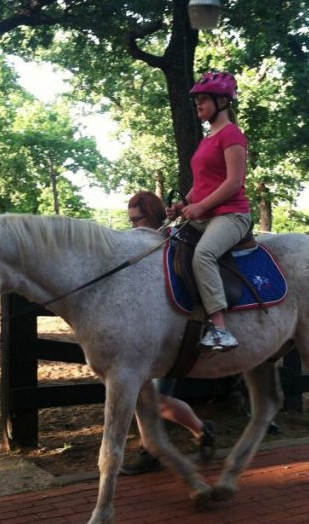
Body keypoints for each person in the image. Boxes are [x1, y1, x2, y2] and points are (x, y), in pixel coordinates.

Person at [121, 191, 216, 475]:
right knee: (142, 394)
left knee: (156, 399)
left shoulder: (172, 242)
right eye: (131, 221)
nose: (133, 227)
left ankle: (201, 431)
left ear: (151, 216)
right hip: (148, 335)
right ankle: (151, 448)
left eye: (137, 220)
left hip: (173, 335)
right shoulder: (146, 246)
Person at [166, 71, 252, 352]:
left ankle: (220, 328)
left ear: (223, 101)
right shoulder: (208, 139)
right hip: (206, 215)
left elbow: (233, 182)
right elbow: (202, 184)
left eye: (204, 99)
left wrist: (201, 206)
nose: (198, 104)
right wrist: (183, 205)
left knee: (204, 254)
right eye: (197, 100)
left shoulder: (232, 135)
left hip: (231, 215)